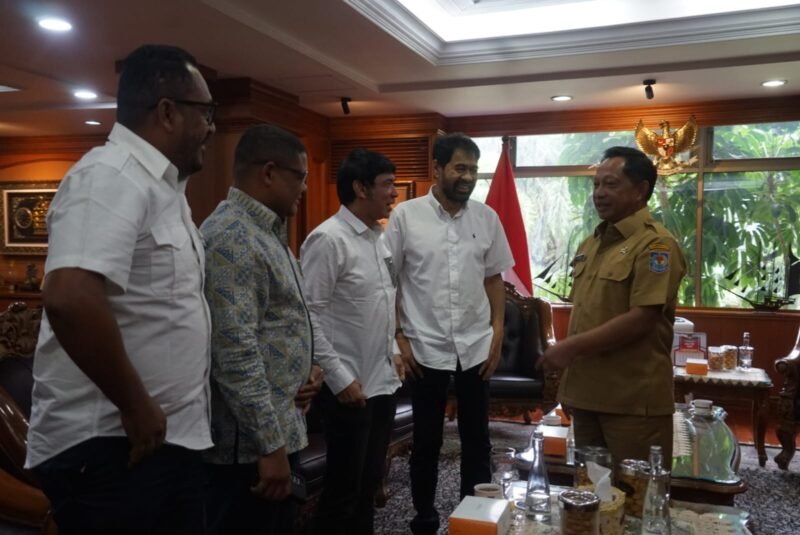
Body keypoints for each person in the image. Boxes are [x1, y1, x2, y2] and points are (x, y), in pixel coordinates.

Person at [25, 44, 216, 534]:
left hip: (161, 442)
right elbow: (70, 297)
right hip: (114, 445)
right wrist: (135, 402)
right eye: (205, 113)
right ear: (168, 112)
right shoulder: (109, 176)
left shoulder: (166, 193)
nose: (212, 127)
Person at [384, 133, 514, 535]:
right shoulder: (406, 217)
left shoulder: (486, 217)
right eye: (460, 168)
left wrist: (497, 331)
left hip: (476, 345)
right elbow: (388, 281)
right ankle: (424, 518)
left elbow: (494, 279)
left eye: (474, 169)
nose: (468, 177)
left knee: (478, 441)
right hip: (425, 347)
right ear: (437, 169)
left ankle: (473, 518)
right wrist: (398, 337)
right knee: (426, 442)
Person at [201, 123, 322, 535]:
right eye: (300, 177)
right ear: (268, 173)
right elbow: (234, 351)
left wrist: (308, 370)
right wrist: (270, 445)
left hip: (280, 426)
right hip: (249, 449)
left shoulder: (267, 232)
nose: (304, 187)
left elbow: (282, 321)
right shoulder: (232, 238)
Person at [542, 146, 687, 469]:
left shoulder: (656, 245)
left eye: (611, 184)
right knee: (592, 496)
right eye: (596, 185)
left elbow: (643, 319)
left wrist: (569, 348)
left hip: (632, 401)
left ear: (640, 190)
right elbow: (587, 314)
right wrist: (570, 382)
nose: (599, 193)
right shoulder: (590, 244)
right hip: (587, 394)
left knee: (637, 501)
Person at [300, 149, 405, 535]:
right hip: (348, 389)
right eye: (387, 185)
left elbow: (383, 303)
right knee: (342, 495)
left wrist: (394, 350)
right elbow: (308, 316)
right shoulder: (328, 240)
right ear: (360, 187)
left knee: (368, 488)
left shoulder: (380, 238)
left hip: (382, 383)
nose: (394, 193)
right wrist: (340, 378)